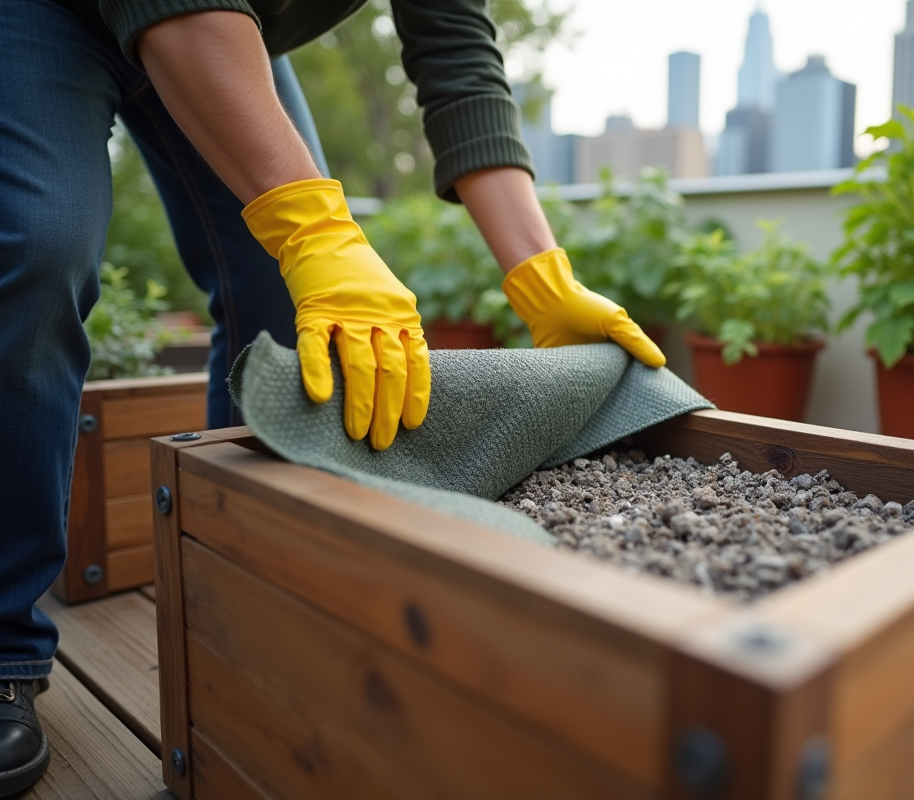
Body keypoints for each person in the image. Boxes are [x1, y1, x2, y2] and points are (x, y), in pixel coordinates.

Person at [0, 1, 664, 795]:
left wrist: (540, 276)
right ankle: (5, 646)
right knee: (37, 247)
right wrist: (315, 230)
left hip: (231, 22)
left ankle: (244, 589)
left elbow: (456, 56)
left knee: (290, 319)